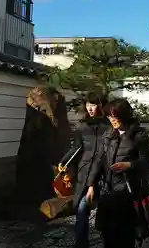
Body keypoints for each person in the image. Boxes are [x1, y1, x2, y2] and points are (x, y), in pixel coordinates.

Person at [92, 98, 149, 248]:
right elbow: (99, 161)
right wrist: (91, 184)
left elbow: (147, 162)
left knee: (125, 234)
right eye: (109, 116)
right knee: (107, 233)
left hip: (127, 191)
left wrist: (129, 165)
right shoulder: (108, 135)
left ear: (123, 115)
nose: (111, 119)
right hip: (107, 190)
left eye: (114, 116)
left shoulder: (138, 135)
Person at [58, 92, 109, 248]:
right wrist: (64, 161)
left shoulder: (109, 126)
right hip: (85, 172)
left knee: (106, 211)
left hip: (104, 174)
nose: (90, 108)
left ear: (101, 106)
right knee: (81, 210)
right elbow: (76, 147)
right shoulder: (82, 126)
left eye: (93, 104)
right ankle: (81, 244)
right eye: (88, 104)